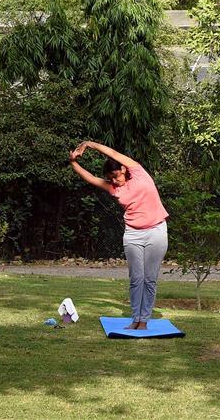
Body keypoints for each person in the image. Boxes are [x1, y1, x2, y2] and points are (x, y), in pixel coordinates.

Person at [69, 141, 169, 330]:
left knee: (150, 279)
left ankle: (144, 321)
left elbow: (113, 153)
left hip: (156, 231)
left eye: (115, 176)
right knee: (136, 278)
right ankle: (135, 318)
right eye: (110, 178)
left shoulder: (138, 172)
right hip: (133, 234)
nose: (114, 180)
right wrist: (73, 162)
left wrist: (89, 144)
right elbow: (91, 178)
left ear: (123, 168)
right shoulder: (114, 188)